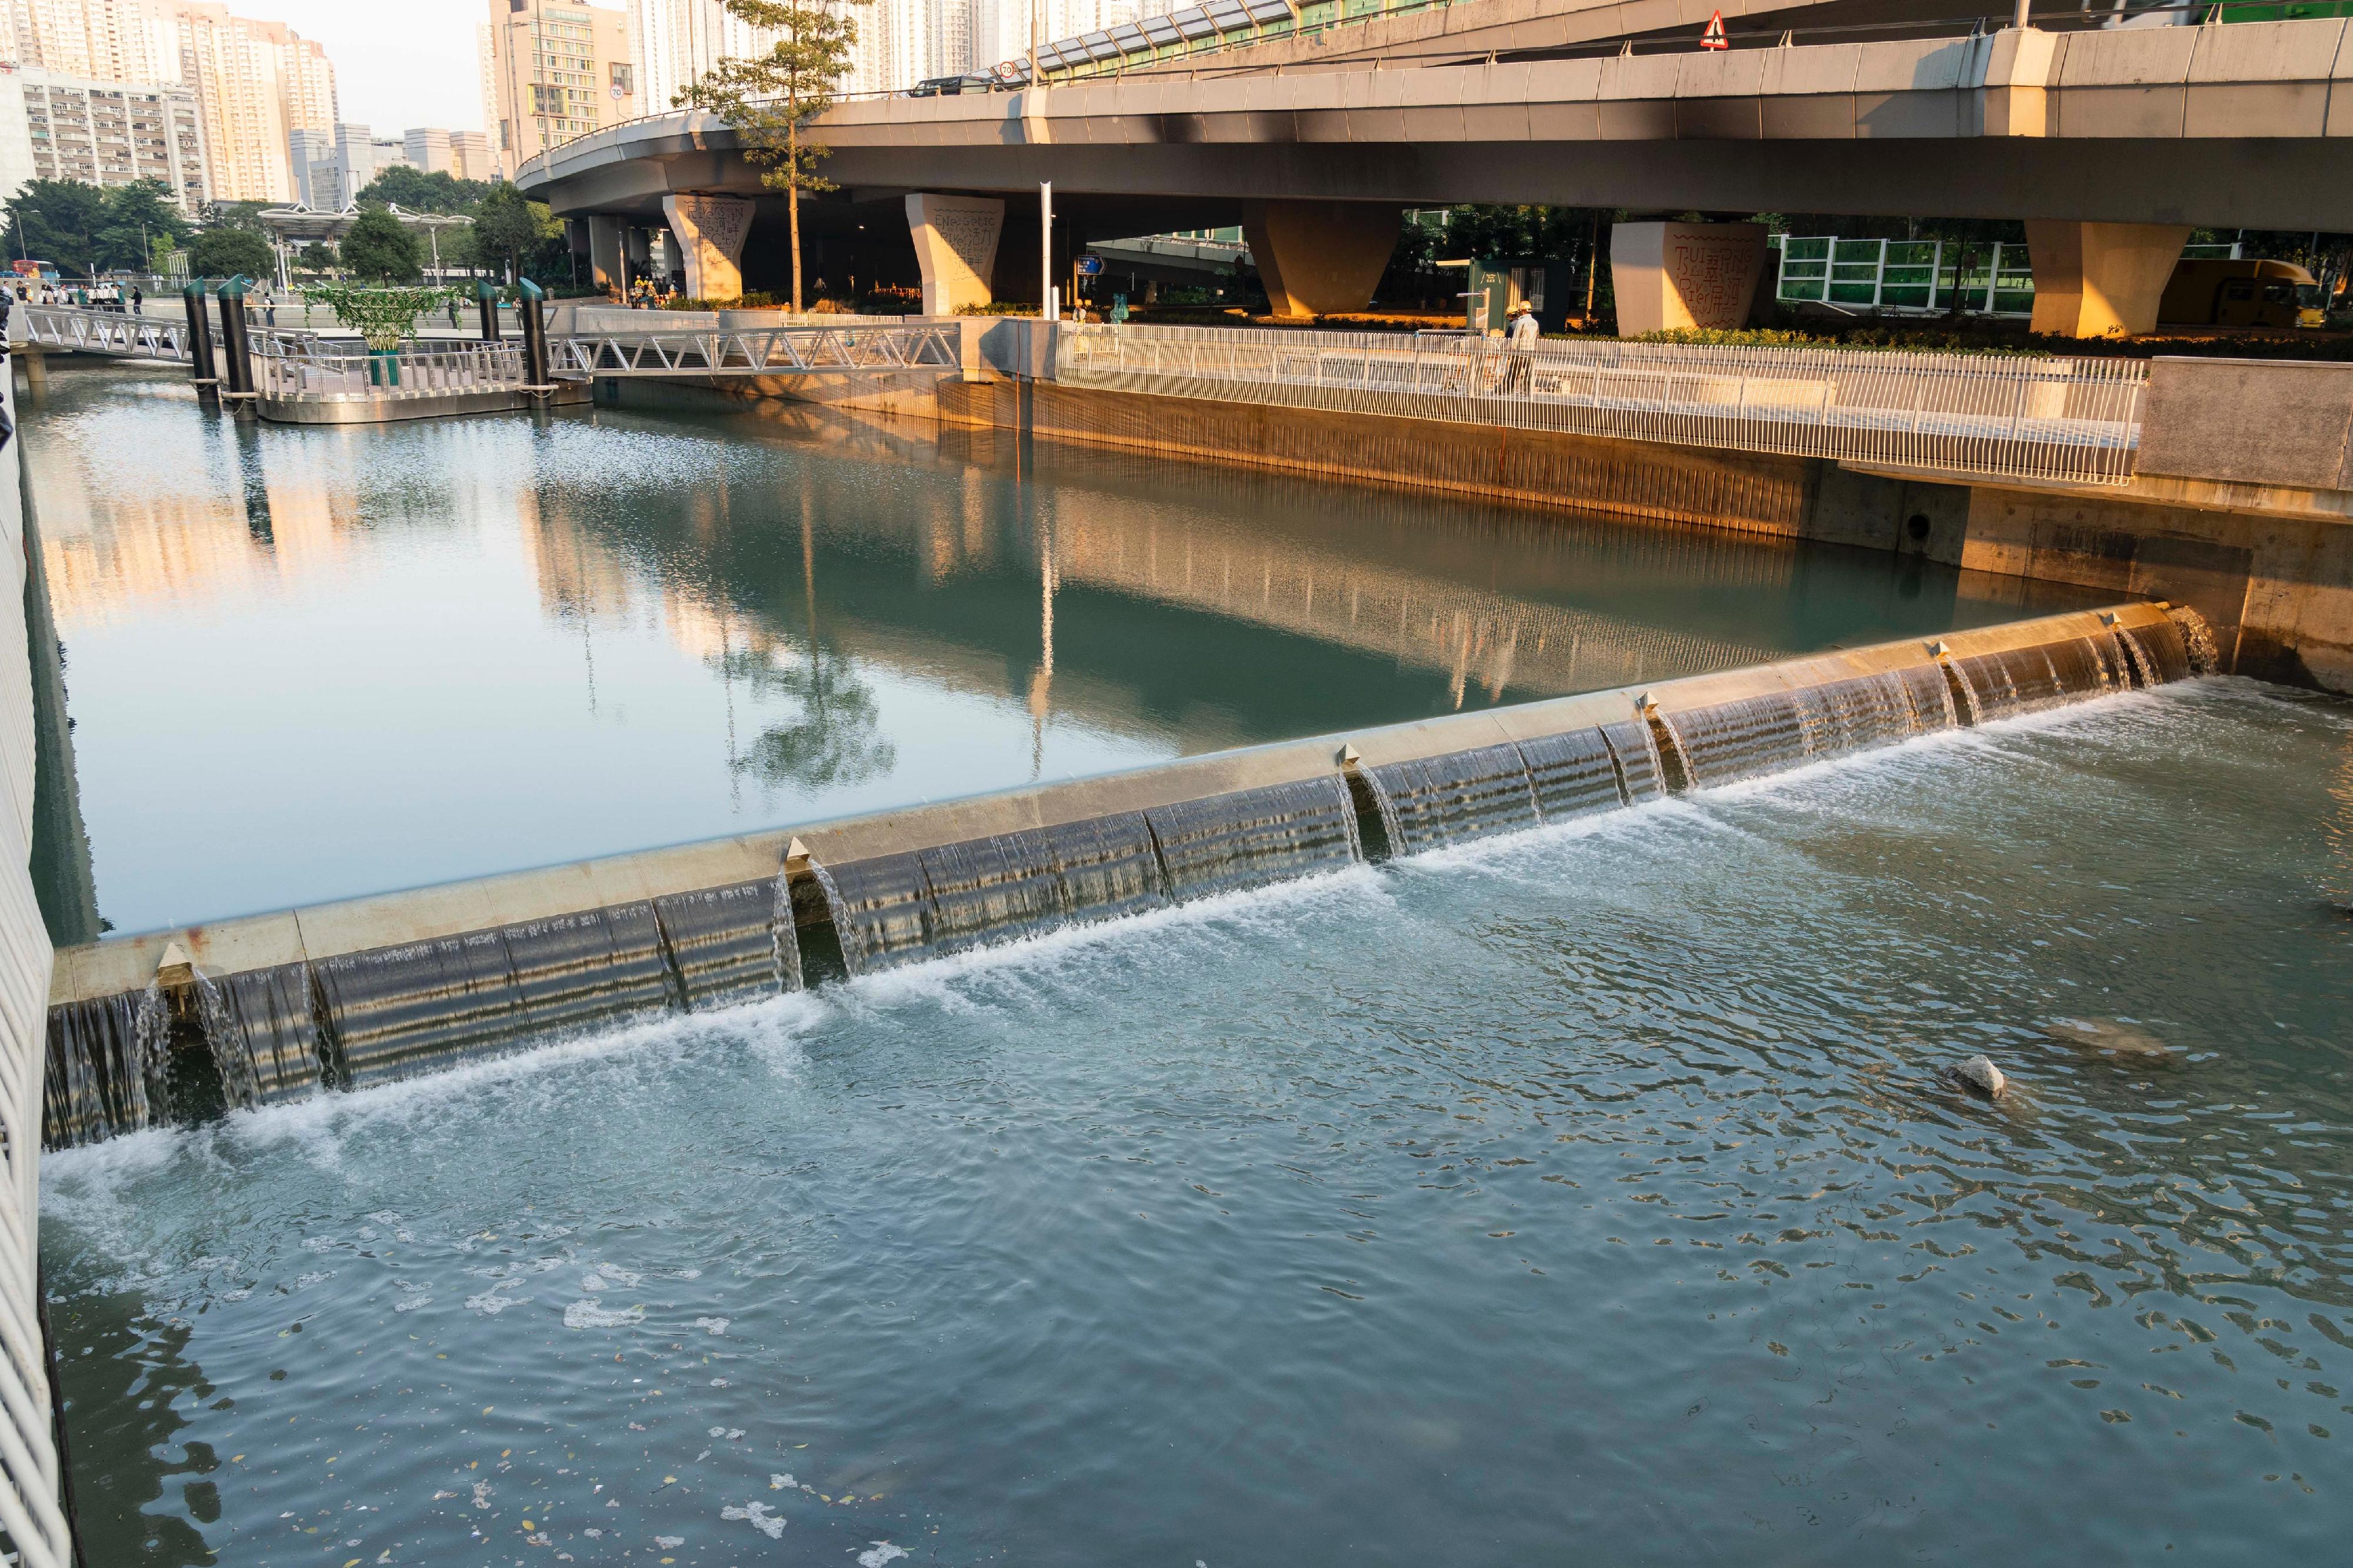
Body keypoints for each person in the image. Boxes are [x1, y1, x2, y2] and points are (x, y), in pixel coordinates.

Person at [1504, 299, 1539, 393]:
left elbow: (1515, 338)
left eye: (1520, 311)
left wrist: (1512, 351)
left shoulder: (1521, 322)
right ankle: (1527, 391)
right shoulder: (1535, 322)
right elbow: (1537, 337)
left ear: (1523, 311)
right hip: (1531, 352)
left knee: (1513, 372)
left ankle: (1507, 390)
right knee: (1529, 373)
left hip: (1520, 352)